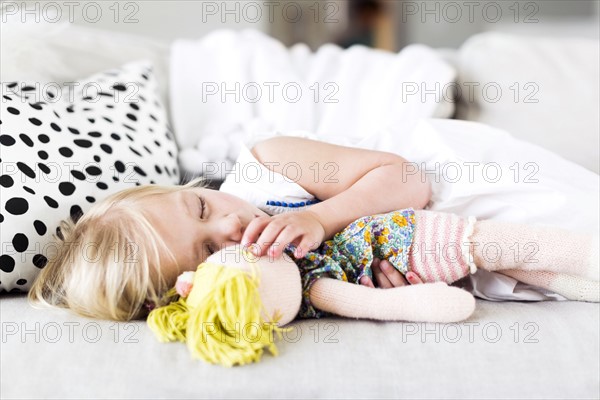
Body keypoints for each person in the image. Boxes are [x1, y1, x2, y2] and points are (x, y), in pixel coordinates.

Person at [28, 134, 599, 321]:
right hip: (450, 249)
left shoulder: (267, 164)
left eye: (201, 209)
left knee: (565, 218)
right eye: (205, 252)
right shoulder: (269, 289)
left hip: (456, 180)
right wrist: (404, 292)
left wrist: (320, 216)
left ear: (192, 188)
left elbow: (405, 179)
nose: (229, 226)